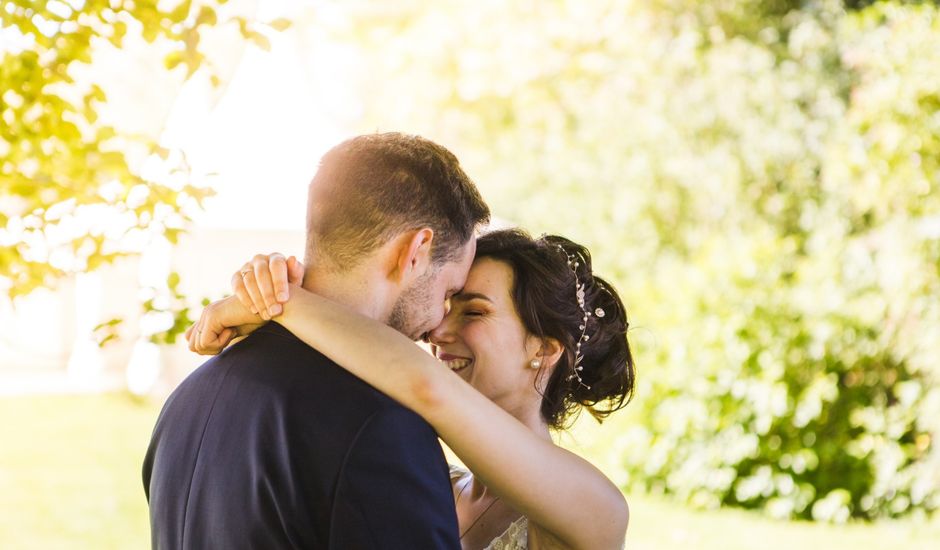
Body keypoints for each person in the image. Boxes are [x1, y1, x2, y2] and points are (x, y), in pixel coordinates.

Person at [142, 132, 491, 549]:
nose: (439, 324)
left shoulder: (188, 398)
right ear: (414, 251)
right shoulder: (383, 425)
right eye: (449, 293)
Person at [189, 228, 636, 549]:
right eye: (447, 306)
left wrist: (278, 302)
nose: (437, 330)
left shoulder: (596, 508)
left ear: (543, 349)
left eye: (474, 313)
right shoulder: (426, 479)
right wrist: (270, 284)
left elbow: (424, 386)